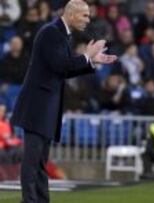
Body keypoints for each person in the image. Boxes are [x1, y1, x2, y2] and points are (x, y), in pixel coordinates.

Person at [10, 1, 117, 202]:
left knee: (40, 161)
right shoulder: (51, 32)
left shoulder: (61, 34)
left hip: (45, 107)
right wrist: (86, 56)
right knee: (32, 161)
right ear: (71, 14)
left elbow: (65, 68)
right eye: (84, 15)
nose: (88, 19)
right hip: (38, 106)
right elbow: (61, 65)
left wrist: (92, 61)